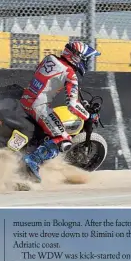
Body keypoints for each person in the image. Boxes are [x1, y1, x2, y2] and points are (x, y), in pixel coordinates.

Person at [21, 40, 100, 180]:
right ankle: (33, 160)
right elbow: (72, 105)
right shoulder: (70, 74)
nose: (86, 63)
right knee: (64, 139)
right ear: (76, 57)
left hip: (25, 98)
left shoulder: (49, 58)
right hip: (38, 106)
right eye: (85, 59)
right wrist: (88, 116)